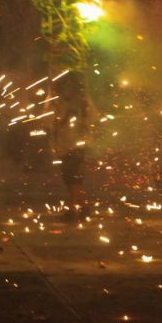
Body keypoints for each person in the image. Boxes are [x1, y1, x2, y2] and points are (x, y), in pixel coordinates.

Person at [51, 71, 92, 220]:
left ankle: (74, 209)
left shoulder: (78, 103)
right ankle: (84, 206)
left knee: (72, 179)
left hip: (74, 146)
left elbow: (67, 121)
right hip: (68, 146)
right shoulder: (64, 102)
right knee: (72, 180)